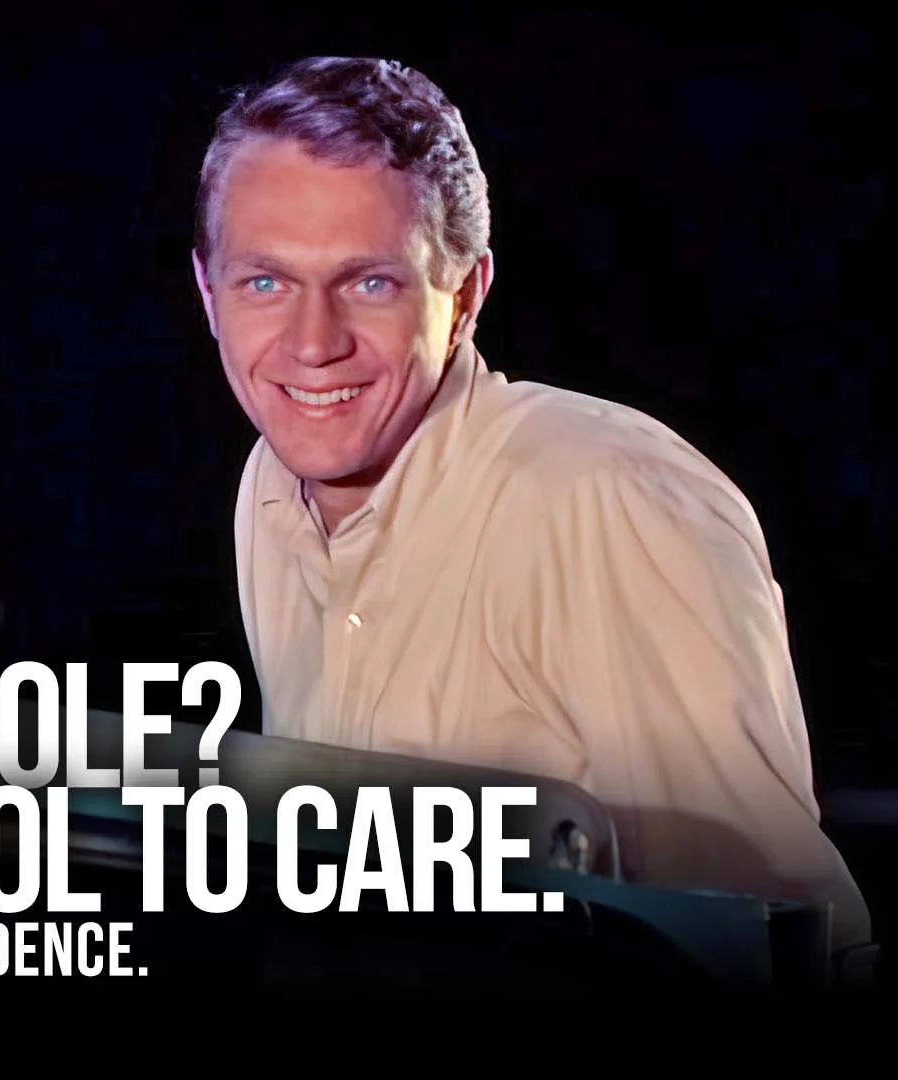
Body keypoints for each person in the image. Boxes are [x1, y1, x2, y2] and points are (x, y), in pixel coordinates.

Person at [191, 56, 872, 951]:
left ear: (465, 295)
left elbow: (777, 942)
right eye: (266, 283)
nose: (313, 345)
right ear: (208, 293)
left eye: (370, 282)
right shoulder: (272, 483)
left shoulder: (603, 498)